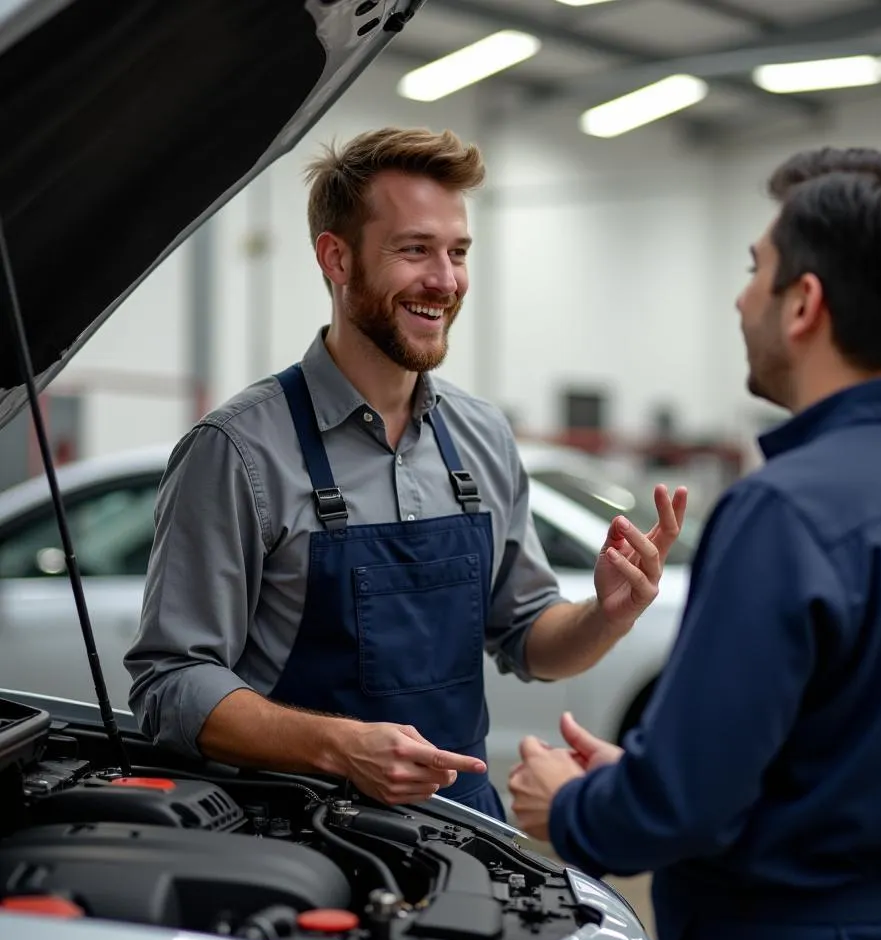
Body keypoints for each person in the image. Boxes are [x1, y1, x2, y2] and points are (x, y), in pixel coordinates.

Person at [508, 146, 881, 940]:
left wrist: (575, 806)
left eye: (757, 269)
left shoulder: (783, 510)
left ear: (804, 305)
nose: (742, 296)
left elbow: (680, 811)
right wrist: (650, 772)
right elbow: (848, 757)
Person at [125, 126, 687, 821]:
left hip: (462, 828)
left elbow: (530, 638)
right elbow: (170, 684)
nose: (445, 282)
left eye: (457, 253)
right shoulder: (238, 451)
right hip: (295, 835)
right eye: (414, 250)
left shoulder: (482, 436)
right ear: (336, 258)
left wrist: (605, 616)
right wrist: (339, 746)